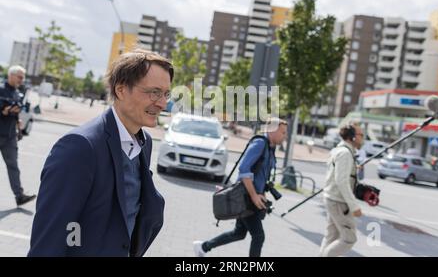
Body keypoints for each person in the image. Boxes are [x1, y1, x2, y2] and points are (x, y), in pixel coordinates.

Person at [29, 49, 173, 256]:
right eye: (154, 92)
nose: (162, 103)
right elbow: (50, 238)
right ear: (121, 90)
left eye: (166, 94)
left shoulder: (145, 143)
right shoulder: (79, 147)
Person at [193, 117, 288, 257]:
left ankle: (203, 247)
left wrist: (262, 194)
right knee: (258, 236)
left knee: (238, 233)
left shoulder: (270, 148)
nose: (284, 136)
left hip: (253, 197)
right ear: (272, 131)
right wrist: (255, 196)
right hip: (246, 198)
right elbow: (244, 170)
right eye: (283, 132)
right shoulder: (260, 144)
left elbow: (260, 175)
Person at [319, 123, 364, 257]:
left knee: (331, 237)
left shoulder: (340, 150)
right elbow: (341, 181)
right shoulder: (345, 153)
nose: (362, 138)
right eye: (361, 135)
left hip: (332, 199)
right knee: (349, 238)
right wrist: (354, 206)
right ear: (352, 137)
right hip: (339, 202)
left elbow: (340, 174)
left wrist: (353, 168)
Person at [0, 65, 36, 206]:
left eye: (23, 77)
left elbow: (16, 111)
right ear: (11, 75)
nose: (22, 80)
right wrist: (3, 112)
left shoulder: (18, 93)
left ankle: (19, 196)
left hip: (9, 137)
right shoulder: (1, 90)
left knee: (13, 166)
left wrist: (18, 122)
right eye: (20, 77)